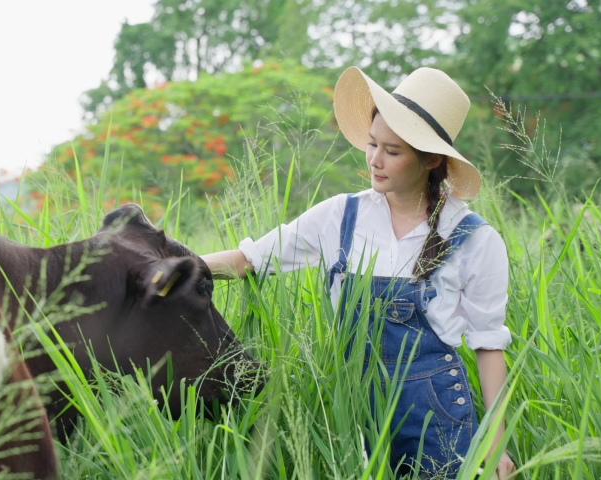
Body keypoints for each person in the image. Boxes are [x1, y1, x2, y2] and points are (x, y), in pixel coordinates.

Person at [201, 66, 516, 479]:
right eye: (372, 144)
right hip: (357, 413)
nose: (374, 160)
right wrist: (167, 264)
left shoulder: (474, 238)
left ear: (432, 159)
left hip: (437, 415)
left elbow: (488, 345)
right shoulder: (341, 215)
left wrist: (497, 441)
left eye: (392, 151)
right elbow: (251, 259)